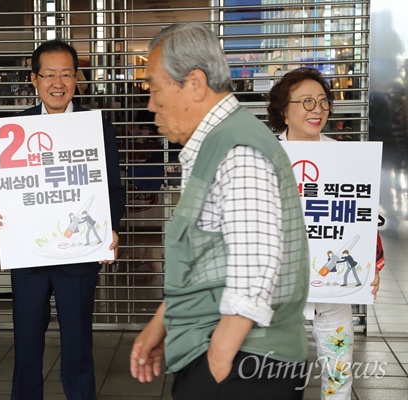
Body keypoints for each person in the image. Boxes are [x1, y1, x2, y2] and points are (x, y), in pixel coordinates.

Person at [129, 23, 309, 400]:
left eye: (155, 88)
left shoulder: (237, 150)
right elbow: (209, 260)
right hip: (231, 360)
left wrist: (216, 365)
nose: (150, 105)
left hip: (245, 365)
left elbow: (256, 264)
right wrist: (161, 325)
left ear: (194, 83)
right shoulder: (216, 144)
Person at [0, 40, 125, 400]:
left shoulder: (96, 127)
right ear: (34, 79)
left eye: (66, 74)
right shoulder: (13, 131)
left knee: (79, 343)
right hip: (29, 254)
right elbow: (5, 189)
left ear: (77, 78)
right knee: (27, 344)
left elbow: (113, 185)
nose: (58, 82)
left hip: (79, 254)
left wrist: (111, 227)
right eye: (49, 74)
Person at [267, 66, 383, 399]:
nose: (317, 109)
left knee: (338, 375)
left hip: (333, 294)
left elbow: (361, 217)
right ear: (283, 112)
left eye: (322, 101)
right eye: (306, 102)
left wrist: (370, 266)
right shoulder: (262, 158)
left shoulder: (346, 158)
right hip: (278, 293)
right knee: (270, 378)